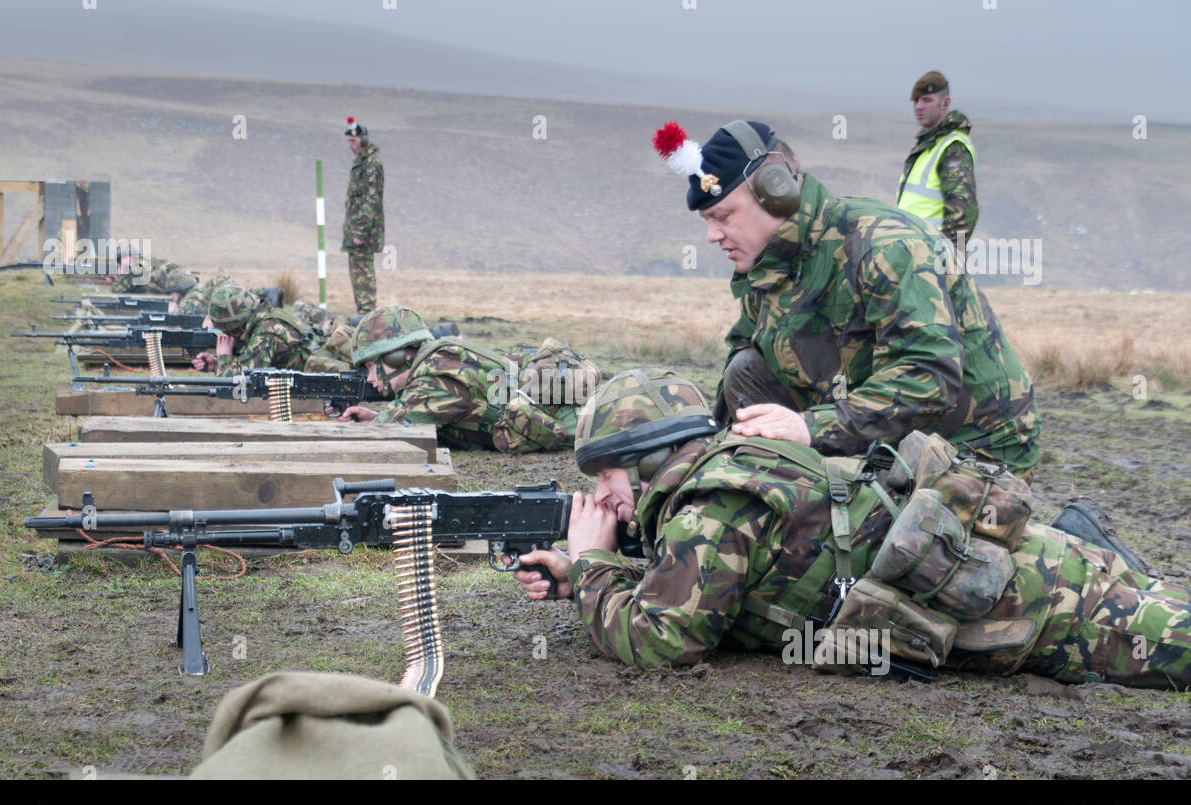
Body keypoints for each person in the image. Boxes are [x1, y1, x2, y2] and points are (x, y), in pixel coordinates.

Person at [512, 369, 1191, 688]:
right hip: (1042, 572)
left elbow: (663, 640)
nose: (601, 494)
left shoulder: (710, 507)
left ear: (650, 459)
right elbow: (709, 587)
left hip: (1054, 610)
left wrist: (592, 562)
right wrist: (586, 576)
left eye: (606, 474)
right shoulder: (731, 477)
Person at [652, 119, 1039, 476]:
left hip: (969, 451)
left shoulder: (885, 246)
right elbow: (747, 353)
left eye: (724, 216)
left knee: (844, 538)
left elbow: (929, 377)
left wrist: (809, 428)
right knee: (746, 368)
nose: (712, 236)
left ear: (776, 192)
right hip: (878, 436)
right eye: (708, 222)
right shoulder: (770, 266)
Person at [339, 305, 597, 453]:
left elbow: (394, 432)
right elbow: (419, 417)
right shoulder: (439, 360)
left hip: (584, 425)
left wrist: (360, 428)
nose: (372, 378)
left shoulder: (437, 375)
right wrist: (374, 417)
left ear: (397, 356)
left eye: (374, 366)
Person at [896, 71, 978, 247]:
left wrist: (946, 259)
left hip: (931, 260)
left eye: (926, 100)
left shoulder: (953, 148)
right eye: (916, 101)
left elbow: (962, 213)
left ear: (945, 103)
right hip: (912, 255)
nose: (918, 106)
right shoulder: (926, 147)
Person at [194, 283, 314, 376]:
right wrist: (216, 365)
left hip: (315, 391)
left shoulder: (266, 333)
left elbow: (242, 384)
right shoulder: (267, 316)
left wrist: (224, 357)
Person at [343, 117, 384, 315]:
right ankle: (364, 313)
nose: (351, 146)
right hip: (355, 230)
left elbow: (370, 200)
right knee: (356, 272)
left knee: (363, 273)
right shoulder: (360, 164)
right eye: (349, 142)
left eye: (354, 141)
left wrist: (359, 231)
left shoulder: (370, 165)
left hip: (363, 233)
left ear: (363, 141)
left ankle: (368, 314)